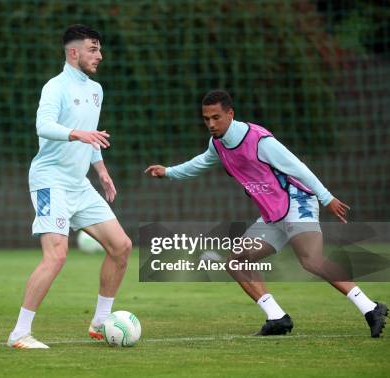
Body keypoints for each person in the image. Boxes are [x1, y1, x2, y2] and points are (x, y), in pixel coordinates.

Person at [145, 89, 387, 337]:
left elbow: (298, 167)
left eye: (216, 117)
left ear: (231, 114)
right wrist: (169, 172)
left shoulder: (259, 140)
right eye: (206, 119)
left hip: (297, 200)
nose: (211, 124)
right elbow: (200, 162)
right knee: (236, 261)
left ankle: (370, 308)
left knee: (311, 260)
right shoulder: (217, 144)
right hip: (273, 213)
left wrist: (327, 198)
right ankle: (277, 318)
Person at [6, 25, 132, 349]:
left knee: (121, 247)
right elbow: (43, 126)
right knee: (56, 256)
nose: (99, 56)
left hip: (79, 184)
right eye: (93, 49)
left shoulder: (96, 90)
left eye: (100, 49)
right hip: (50, 180)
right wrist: (77, 133)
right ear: (74, 52)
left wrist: (101, 170)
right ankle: (19, 334)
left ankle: (100, 323)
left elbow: (92, 138)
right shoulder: (55, 87)